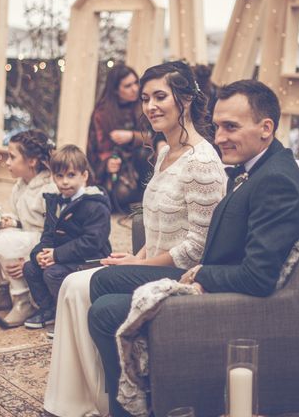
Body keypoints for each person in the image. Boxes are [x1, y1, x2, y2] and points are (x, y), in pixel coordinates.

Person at [88, 79, 299, 417]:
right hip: (209, 274)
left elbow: (260, 277)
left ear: (266, 127)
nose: (219, 137)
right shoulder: (256, 166)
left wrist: (200, 273)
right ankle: (126, 394)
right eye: (218, 126)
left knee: (103, 311)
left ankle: (131, 405)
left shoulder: (276, 181)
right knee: (102, 281)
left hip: (224, 295)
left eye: (231, 127)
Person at [44, 61, 226, 417]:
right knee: (70, 285)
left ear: (186, 99)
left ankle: (108, 400)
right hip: (150, 263)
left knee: (86, 286)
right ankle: (76, 400)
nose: (150, 106)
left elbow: (195, 248)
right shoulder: (162, 152)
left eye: (161, 96)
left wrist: (140, 264)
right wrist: (134, 256)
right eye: (145, 98)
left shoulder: (203, 162)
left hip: (178, 276)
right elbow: (156, 224)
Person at [22, 145, 112, 329]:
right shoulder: (54, 200)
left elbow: (92, 242)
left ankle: (69, 318)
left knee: (53, 274)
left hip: (90, 258)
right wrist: (40, 254)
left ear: (84, 176)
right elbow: (48, 233)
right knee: (31, 268)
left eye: (71, 175)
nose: (64, 182)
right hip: (63, 255)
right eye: (59, 176)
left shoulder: (95, 204)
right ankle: (50, 310)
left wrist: (56, 256)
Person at [0, 129, 57, 327]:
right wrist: (11, 222)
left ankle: (24, 300)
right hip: (33, 237)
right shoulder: (20, 185)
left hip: (47, 243)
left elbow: (55, 232)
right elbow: (25, 220)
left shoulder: (49, 189)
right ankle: (5, 291)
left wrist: (31, 261)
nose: (7, 162)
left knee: (3, 241)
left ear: (32, 161)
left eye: (12, 157)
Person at [87, 64, 153, 212]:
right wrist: (108, 162)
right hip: (117, 165)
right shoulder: (102, 113)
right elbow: (96, 147)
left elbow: (156, 137)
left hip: (142, 162)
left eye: (136, 83)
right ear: (116, 90)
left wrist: (132, 137)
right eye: (128, 86)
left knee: (144, 154)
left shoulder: (145, 105)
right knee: (121, 194)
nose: (135, 88)